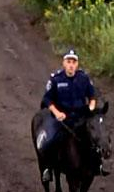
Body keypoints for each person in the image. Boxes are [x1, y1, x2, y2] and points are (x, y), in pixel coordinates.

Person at [39, 47, 108, 181]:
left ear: (77, 64)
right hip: (61, 119)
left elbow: (92, 95)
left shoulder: (84, 78)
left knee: (95, 138)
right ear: (64, 63)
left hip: (80, 117)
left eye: (74, 62)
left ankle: (97, 166)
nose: (71, 65)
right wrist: (57, 112)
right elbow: (47, 99)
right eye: (68, 62)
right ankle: (47, 168)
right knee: (49, 141)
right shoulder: (56, 79)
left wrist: (92, 106)